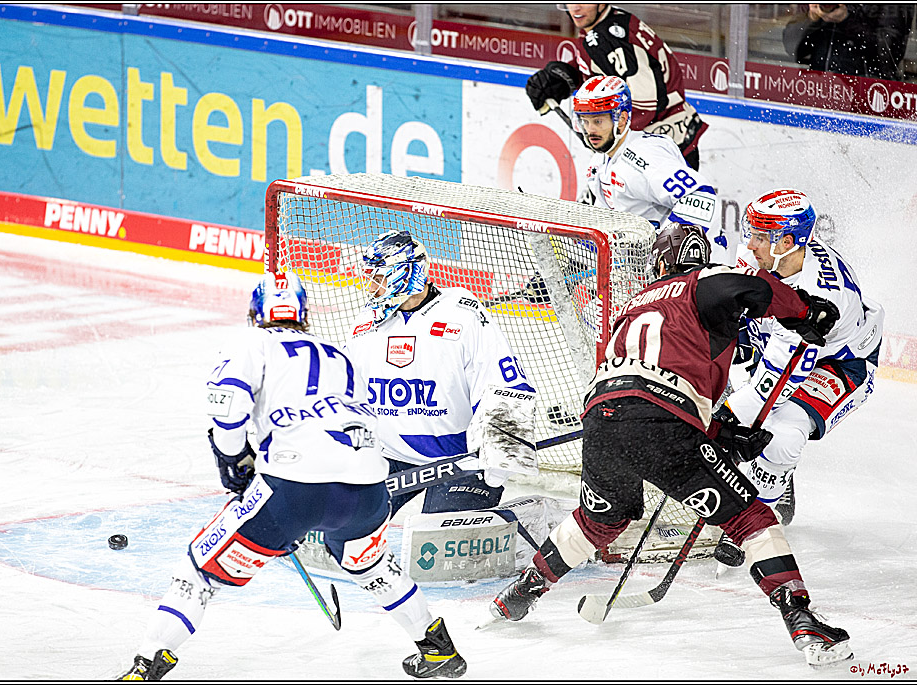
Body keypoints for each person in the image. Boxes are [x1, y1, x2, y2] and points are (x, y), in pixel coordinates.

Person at [489, 223, 855, 668]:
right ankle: (802, 619)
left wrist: (720, 434)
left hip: (603, 424)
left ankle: (522, 592)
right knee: (748, 515)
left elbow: (646, 382)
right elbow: (752, 287)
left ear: (660, 263)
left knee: (600, 519)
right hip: (662, 425)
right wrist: (803, 310)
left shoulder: (628, 309)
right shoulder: (700, 283)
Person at [117, 272, 466, 681]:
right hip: (368, 489)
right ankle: (437, 649)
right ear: (302, 313)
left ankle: (145, 666)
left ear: (254, 313)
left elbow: (228, 410)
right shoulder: (339, 353)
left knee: (197, 573)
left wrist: (234, 463)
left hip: (293, 487)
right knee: (373, 567)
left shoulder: (252, 342)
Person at [343, 230, 537, 516]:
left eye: (379, 278)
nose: (372, 287)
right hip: (388, 457)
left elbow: (504, 383)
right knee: (339, 525)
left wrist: (496, 463)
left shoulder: (463, 314)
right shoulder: (366, 323)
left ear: (405, 274)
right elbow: (346, 393)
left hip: (459, 461)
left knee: (437, 545)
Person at [725, 189, 884, 529]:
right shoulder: (769, 256)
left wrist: (730, 422)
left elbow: (776, 383)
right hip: (781, 343)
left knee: (781, 432)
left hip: (842, 362)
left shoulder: (819, 303)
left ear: (786, 243)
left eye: (759, 237)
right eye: (749, 232)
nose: (750, 245)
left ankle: (758, 523)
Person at [571, 74, 735, 265]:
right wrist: (574, 265)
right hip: (648, 275)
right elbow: (607, 230)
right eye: (585, 121)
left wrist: (665, 252)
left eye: (598, 121)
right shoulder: (598, 164)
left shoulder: (645, 157)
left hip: (703, 270)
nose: (590, 130)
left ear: (622, 119)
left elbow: (700, 197)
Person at [526, 4, 707, 169]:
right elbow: (613, 72)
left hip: (660, 156)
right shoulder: (612, 23)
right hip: (664, 145)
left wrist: (607, 134)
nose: (576, 8)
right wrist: (570, 74)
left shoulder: (609, 38)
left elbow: (646, 105)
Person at [782, 4, 914, 81]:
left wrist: (846, 20)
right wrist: (811, 19)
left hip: (867, 91)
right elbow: (791, 47)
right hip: (819, 89)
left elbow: (890, 52)